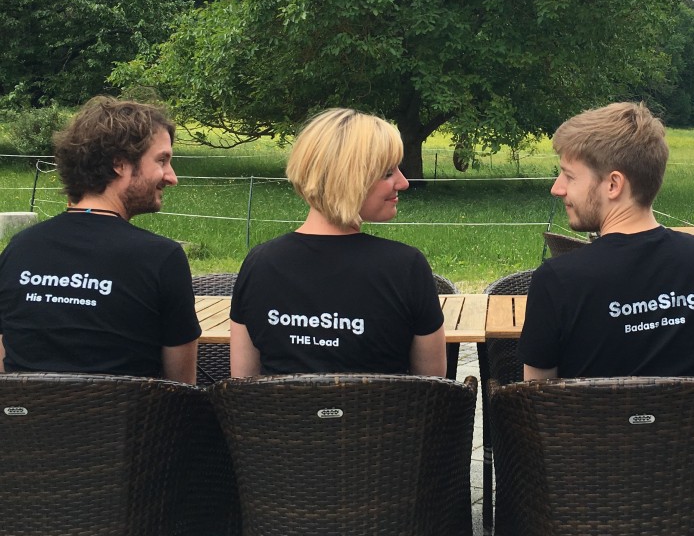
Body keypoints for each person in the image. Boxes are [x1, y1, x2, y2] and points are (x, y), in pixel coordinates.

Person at [518, 102, 694, 380]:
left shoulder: (557, 280)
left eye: (569, 175)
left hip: (586, 413)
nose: (557, 188)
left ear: (613, 185)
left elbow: (538, 398)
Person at [229, 107, 446, 377]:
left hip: (277, 408)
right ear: (348, 179)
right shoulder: (406, 267)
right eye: (387, 173)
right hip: (381, 408)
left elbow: (243, 385)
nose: (403, 183)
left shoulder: (258, 264)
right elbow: (432, 386)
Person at [0, 96, 199, 382]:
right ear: (119, 164)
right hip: (130, 413)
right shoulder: (161, 258)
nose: (172, 177)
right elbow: (181, 388)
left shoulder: (19, 248)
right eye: (162, 160)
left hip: (24, 412)